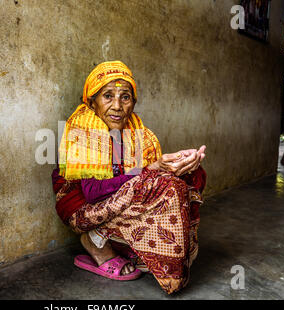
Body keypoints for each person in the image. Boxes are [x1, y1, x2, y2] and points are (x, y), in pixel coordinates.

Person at [51, 61, 207, 294]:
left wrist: (181, 164)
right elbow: (93, 192)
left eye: (125, 97)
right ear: (92, 101)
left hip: (117, 198)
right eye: (107, 96)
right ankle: (95, 240)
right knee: (157, 182)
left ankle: (124, 244)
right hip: (83, 205)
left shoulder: (134, 131)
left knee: (188, 177)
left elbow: (141, 179)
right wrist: (152, 170)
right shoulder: (85, 129)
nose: (117, 106)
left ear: (133, 103)